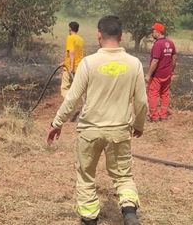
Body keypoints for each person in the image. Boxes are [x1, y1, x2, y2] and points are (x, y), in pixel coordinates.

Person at [47, 15, 147, 225]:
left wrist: (57, 123)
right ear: (121, 36)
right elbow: (142, 102)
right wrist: (138, 124)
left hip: (90, 131)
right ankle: (129, 212)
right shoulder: (134, 64)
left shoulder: (88, 63)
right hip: (119, 131)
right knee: (123, 176)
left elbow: (72, 99)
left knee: (86, 176)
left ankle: (90, 218)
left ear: (99, 35)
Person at [145, 22, 177, 122]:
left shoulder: (158, 44)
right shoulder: (170, 43)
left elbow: (155, 60)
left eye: (153, 31)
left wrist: (148, 75)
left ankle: (154, 116)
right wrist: (171, 71)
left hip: (157, 75)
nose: (151, 33)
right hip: (167, 74)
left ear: (158, 32)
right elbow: (174, 58)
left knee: (153, 94)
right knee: (165, 94)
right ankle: (163, 116)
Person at [61, 21, 84, 98]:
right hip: (79, 67)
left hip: (70, 68)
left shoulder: (70, 38)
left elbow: (72, 52)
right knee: (76, 89)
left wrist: (71, 67)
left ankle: (68, 106)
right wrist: (64, 62)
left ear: (70, 28)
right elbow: (78, 54)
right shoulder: (81, 39)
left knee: (65, 88)